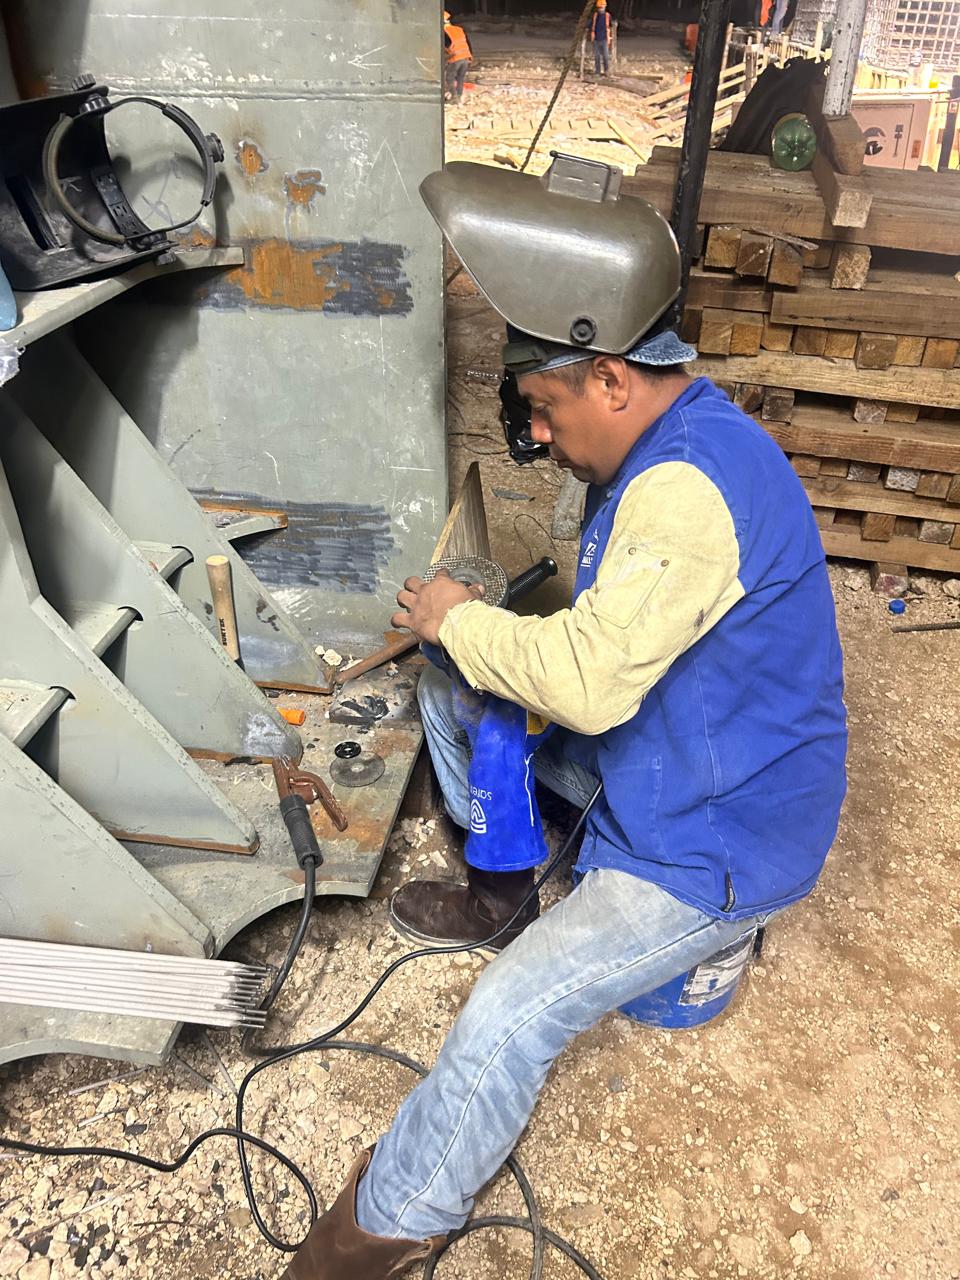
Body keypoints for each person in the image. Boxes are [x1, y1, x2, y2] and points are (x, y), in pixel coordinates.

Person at [281, 154, 847, 1279]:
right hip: (680, 747)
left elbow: (590, 682)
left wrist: (454, 614)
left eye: (544, 409)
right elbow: (602, 644)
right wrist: (476, 633)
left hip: (722, 837)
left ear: (613, 379)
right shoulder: (667, 444)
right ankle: (503, 887)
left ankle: (380, 1226)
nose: (537, 437)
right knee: (461, 678)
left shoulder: (686, 492)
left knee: (507, 1016)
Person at [443, 10, 472, 106]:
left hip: (456, 59)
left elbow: (447, 45)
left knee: (449, 78)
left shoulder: (445, 32)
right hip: (466, 57)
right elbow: (467, 43)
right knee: (460, 78)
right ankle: (459, 97)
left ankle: (454, 98)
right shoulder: (459, 29)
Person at [590, 0, 612, 76]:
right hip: (596, 39)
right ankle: (597, 72)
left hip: (604, 39)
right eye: (600, 7)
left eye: (602, 7)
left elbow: (610, 26)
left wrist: (609, 36)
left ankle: (606, 71)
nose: (601, 8)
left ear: (605, 7)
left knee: (606, 56)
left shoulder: (607, 16)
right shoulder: (595, 15)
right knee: (597, 57)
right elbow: (591, 25)